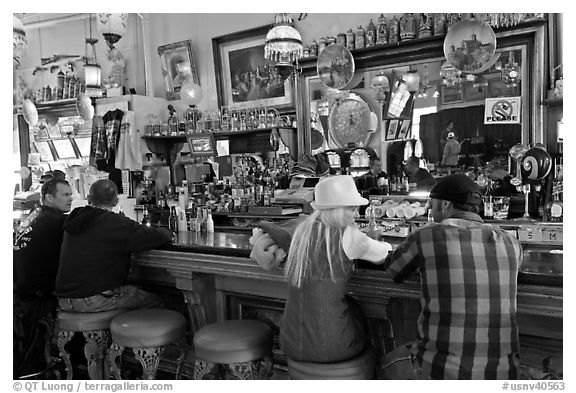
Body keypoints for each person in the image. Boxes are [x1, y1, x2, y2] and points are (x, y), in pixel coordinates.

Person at [379, 175, 523, 379]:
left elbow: (393, 269)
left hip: (442, 370)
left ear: (445, 204)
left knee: (383, 363)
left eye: (433, 204)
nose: (430, 209)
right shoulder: (511, 243)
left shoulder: (427, 235)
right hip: (504, 372)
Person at [251, 176, 391, 363]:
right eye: (352, 208)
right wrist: (374, 238)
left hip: (290, 342)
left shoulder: (301, 231)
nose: (357, 214)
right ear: (337, 209)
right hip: (334, 347)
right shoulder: (350, 236)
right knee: (362, 319)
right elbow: (384, 253)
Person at [54, 179, 172, 313]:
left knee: (133, 292)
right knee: (156, 300)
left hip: (63, 299)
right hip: (92, 298)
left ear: (88, 198)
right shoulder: (116, 223)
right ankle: (130, 333)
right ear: (116, 201)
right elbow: (156, 236)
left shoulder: (74, 218)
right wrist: (168, 231)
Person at [13, 178, 73, 378]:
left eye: (70, 194)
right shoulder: (58, 221)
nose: (70, 198)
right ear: (49, 197)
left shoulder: (35, 214)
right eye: (65, 195)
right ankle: (75, 360)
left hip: (19, 288)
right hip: (38, 293)